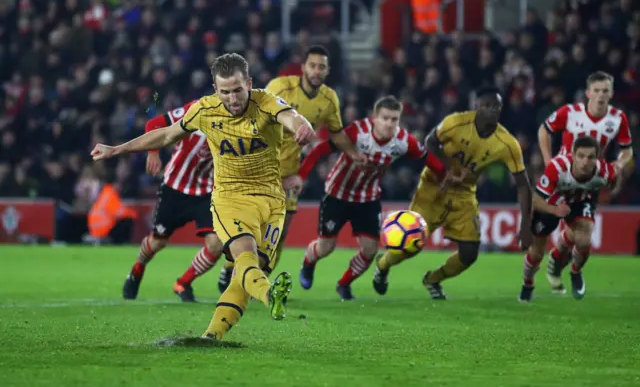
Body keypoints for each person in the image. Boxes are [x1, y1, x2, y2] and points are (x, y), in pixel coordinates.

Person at [90, 53, 316, 341]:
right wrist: (116, 149)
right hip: (230, 198)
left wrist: (302, 126)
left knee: (246, 273)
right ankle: (269, 293)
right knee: (243, 255)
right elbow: (166, 135)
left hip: (272, 201)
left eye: (238, 90)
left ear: (249, 83)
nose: (233, 99)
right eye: (225, 92)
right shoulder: (204, 110)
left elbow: (291, 116)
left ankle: (212, 335)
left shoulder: (266, 102)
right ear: (214, 89)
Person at [214, 45, 364, 292]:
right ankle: (230, 268)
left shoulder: (329, 99)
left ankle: (262, 278)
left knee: (280, 231)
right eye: (313, 65)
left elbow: (336, 133)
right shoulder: (280, 87)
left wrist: (354, 154)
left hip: (290, 173)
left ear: (327, 71)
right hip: (259, 168)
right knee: (252, 227)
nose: (317, 71)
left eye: (322, 67)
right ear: (303, 67)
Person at [372, 86, 534, 299]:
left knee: (469, 254)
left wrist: (525, 227)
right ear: (476, 106)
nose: (492, 110)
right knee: (411, 244)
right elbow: (429, 143)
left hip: (464, 194)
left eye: (496, 106)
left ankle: (433, 279)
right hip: (434, 186)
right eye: (486, 105)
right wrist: (451, 166)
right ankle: (383, 266)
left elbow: (523, 184)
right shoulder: (456, 122)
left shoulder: (507, 144)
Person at [293, 96, 433, 300]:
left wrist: (446, 175)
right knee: (326, 247)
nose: (389, 123)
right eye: (385, 118)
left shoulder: (403, 141)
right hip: (337, 194)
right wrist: (302, 176)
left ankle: (344, 284)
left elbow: (428, 158)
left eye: (394, 119)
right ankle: (308, 263)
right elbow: (319, 150)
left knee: (370, 250)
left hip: (368, 198)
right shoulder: (357, 132)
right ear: (375, 118)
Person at [538, 71, 633, 291]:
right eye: (597, 91)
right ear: (588, 93)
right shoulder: (570, 112)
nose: (600, 95)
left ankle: (571, 269)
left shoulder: (618, 118)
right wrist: (547, 161)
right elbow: (545, 129)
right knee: (546, 231)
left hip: (590, 182)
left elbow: (627, 151)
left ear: (611, 93)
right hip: (562, 179)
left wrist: (618, 165)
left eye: (605, 91)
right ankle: (546, 265)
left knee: (582, 238)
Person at [122, 101, 222, 303]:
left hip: (207, 192)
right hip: (175, 188)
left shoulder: (242, 121)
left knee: (216, 245)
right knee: (158, 241)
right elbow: (154, 124)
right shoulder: (197, 108)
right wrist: (153, 151)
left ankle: (183, 283)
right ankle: (137, 268)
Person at [520, 136, 618, 301]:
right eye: (581, 156)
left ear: (597, 157)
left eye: (591, 157)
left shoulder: (604, 171)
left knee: (584, 240)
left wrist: (600, 193)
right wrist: (554, 209)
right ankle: (528, 283)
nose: (585, 162)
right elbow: (535, 201)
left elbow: (612, 182)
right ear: (573, 155)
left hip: (580, 199)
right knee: (536, 254)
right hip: (551, 201)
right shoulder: (557, 168)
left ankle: (575, 272)